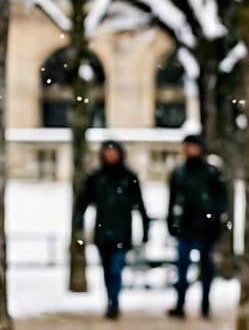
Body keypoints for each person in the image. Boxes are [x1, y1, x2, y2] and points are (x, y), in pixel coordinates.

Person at [77, 140, 149, 320]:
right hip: (103, 231)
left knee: (116, 269)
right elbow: (83, 201)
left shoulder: (128, 176)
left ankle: (114, 303)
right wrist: (79, 221)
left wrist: (145, 228)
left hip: (122, 231)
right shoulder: (96, 177)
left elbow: (140, 204)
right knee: (107, 270)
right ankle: (110, 299)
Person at [165, 134, 227, 320]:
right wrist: (172, 222)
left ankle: (205, 303)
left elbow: (221, 200)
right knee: (182, 267)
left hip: (205, 228)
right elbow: (173, 200)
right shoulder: (179, 173)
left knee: (206, 267)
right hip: (186, 227)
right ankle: (181, 302)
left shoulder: (210, 172)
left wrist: (216, 220)